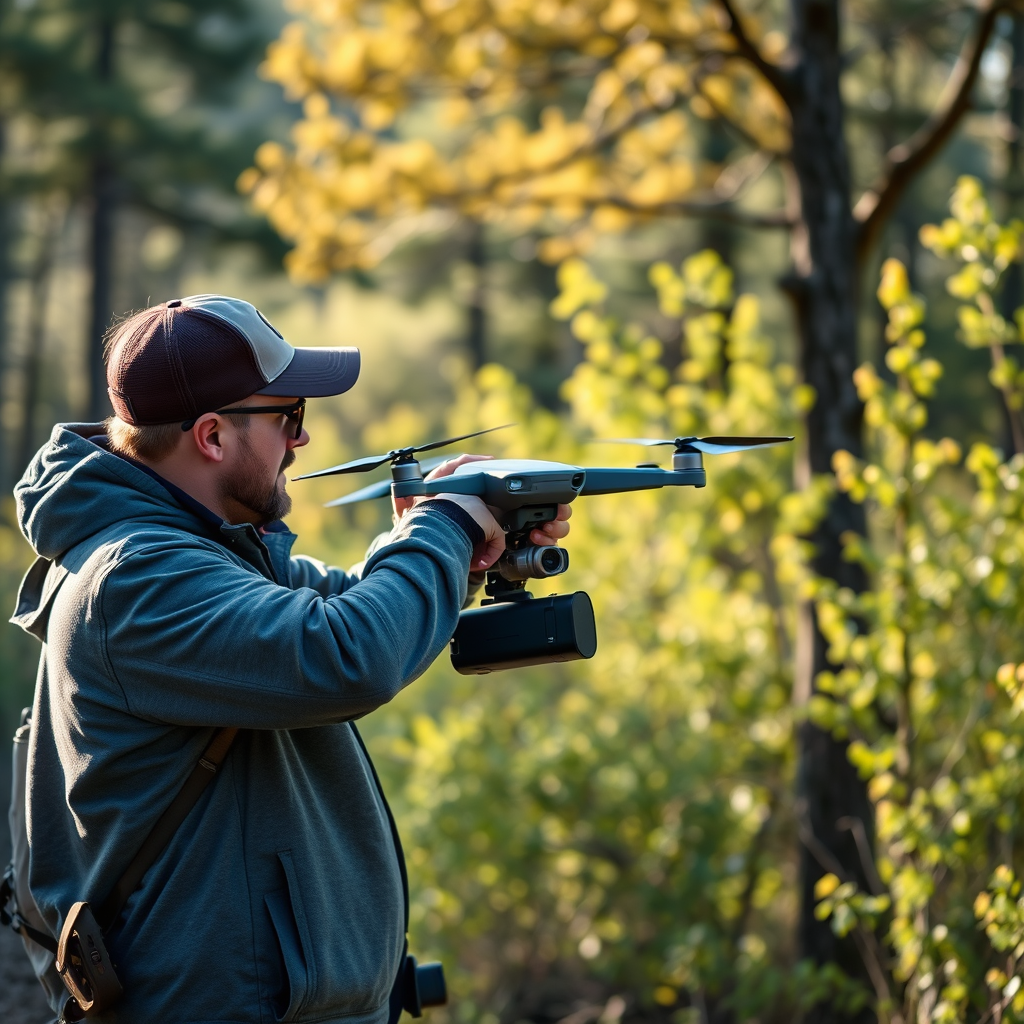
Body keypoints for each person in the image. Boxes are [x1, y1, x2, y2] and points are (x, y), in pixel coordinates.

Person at [10, 295, 570, 1023]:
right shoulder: (137, 579)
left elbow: (349, 608)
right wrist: (442, 526)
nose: (300, 441)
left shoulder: (202, 553)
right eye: (289, 416)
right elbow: (347, 653)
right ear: (211, 436)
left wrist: (466, 550)